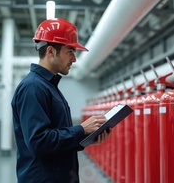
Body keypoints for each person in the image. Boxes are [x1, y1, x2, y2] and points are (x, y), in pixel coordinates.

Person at [11, 18, 110, 183]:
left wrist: (86, 139)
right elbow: (39, 142)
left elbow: (56, 140)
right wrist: (80, 129)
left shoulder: (49, 87)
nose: (74, 59)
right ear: (51, 52)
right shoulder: (33, 88)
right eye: (70, 51)